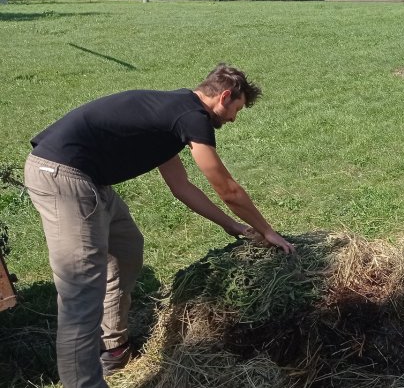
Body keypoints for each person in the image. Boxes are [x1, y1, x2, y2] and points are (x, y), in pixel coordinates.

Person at [23, 64, 295, 387]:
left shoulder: (174, 114)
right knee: (81, 294)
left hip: (91, 178)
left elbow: (182, 187)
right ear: (224, 96)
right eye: (235, 110)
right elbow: (228, 189)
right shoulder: (192, 118)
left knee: (126, 249)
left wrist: (230, 226)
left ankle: (113, 347)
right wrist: (267, 230)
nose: (233, 119)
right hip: (63, 175)